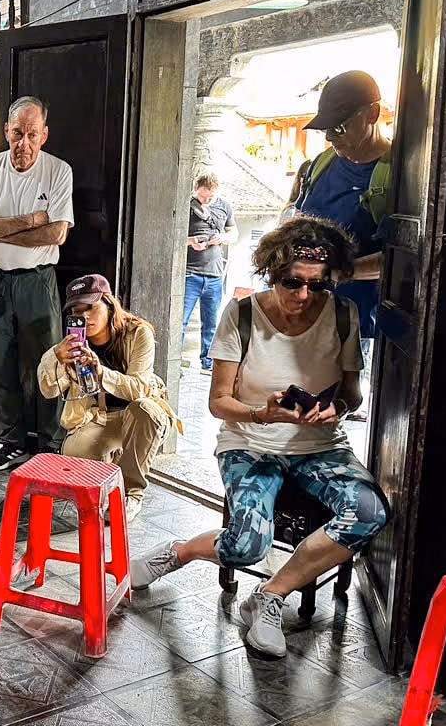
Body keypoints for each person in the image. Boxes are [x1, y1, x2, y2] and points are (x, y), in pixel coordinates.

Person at [130, 217, 389, 658]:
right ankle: (180, 551)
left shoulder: (343, 314)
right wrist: (261, 414)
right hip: (250, 444)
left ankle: (270, 595)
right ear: (273, 272)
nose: (304, 295)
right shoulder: (244, 315)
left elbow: (353, 393)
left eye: (318, 285)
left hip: (321, 446)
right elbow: (219, 402)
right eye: (293, 282)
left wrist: (339, 409)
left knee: (370, 511)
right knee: (247, 545)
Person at [0, 96, 74, 472]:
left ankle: (49, 443)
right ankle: (11, 442)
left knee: (47, 360)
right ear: (6, 131)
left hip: (36, 281)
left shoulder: (58, 171)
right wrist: (30, 220)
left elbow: (57, 234)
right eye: (16, 133)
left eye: (31, 134)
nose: (23, 143)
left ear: (44, 135)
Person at [288, 70, 392, 402]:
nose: (332, 137)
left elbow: (403, 257)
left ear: (372, 114)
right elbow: (296, 213)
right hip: (304, 310)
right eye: (327, 130)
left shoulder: (396, 176)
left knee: (333, 406)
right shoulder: (321, 164)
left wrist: (340, 271)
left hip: (355, 322)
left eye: (341, 127)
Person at [38, 274, 175, 522]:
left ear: (110, 305)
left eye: (91, 308)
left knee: (144, 408)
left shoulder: (138, 333)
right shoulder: (74, 343)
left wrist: (101, 373)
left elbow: (139, 389)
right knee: (74, 453)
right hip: (101, 418)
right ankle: (115, 460)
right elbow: (48, 390)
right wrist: (55, 357)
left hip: (141, 418)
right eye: (77, 312)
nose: (85, 317)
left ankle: (131, 493)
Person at [182, 170, 238, 374]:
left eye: (210, 197)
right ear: (195, 189)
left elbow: (234, 233)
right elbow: (173, 235)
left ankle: (208, 362)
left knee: (212, 323)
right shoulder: (186, 206)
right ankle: (175, 360)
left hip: (214, 274)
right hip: (190, 272)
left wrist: (222, 238)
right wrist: (191, 242)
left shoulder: (224, 206)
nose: (205, 200)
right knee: (181, 321)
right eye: (202, 196)